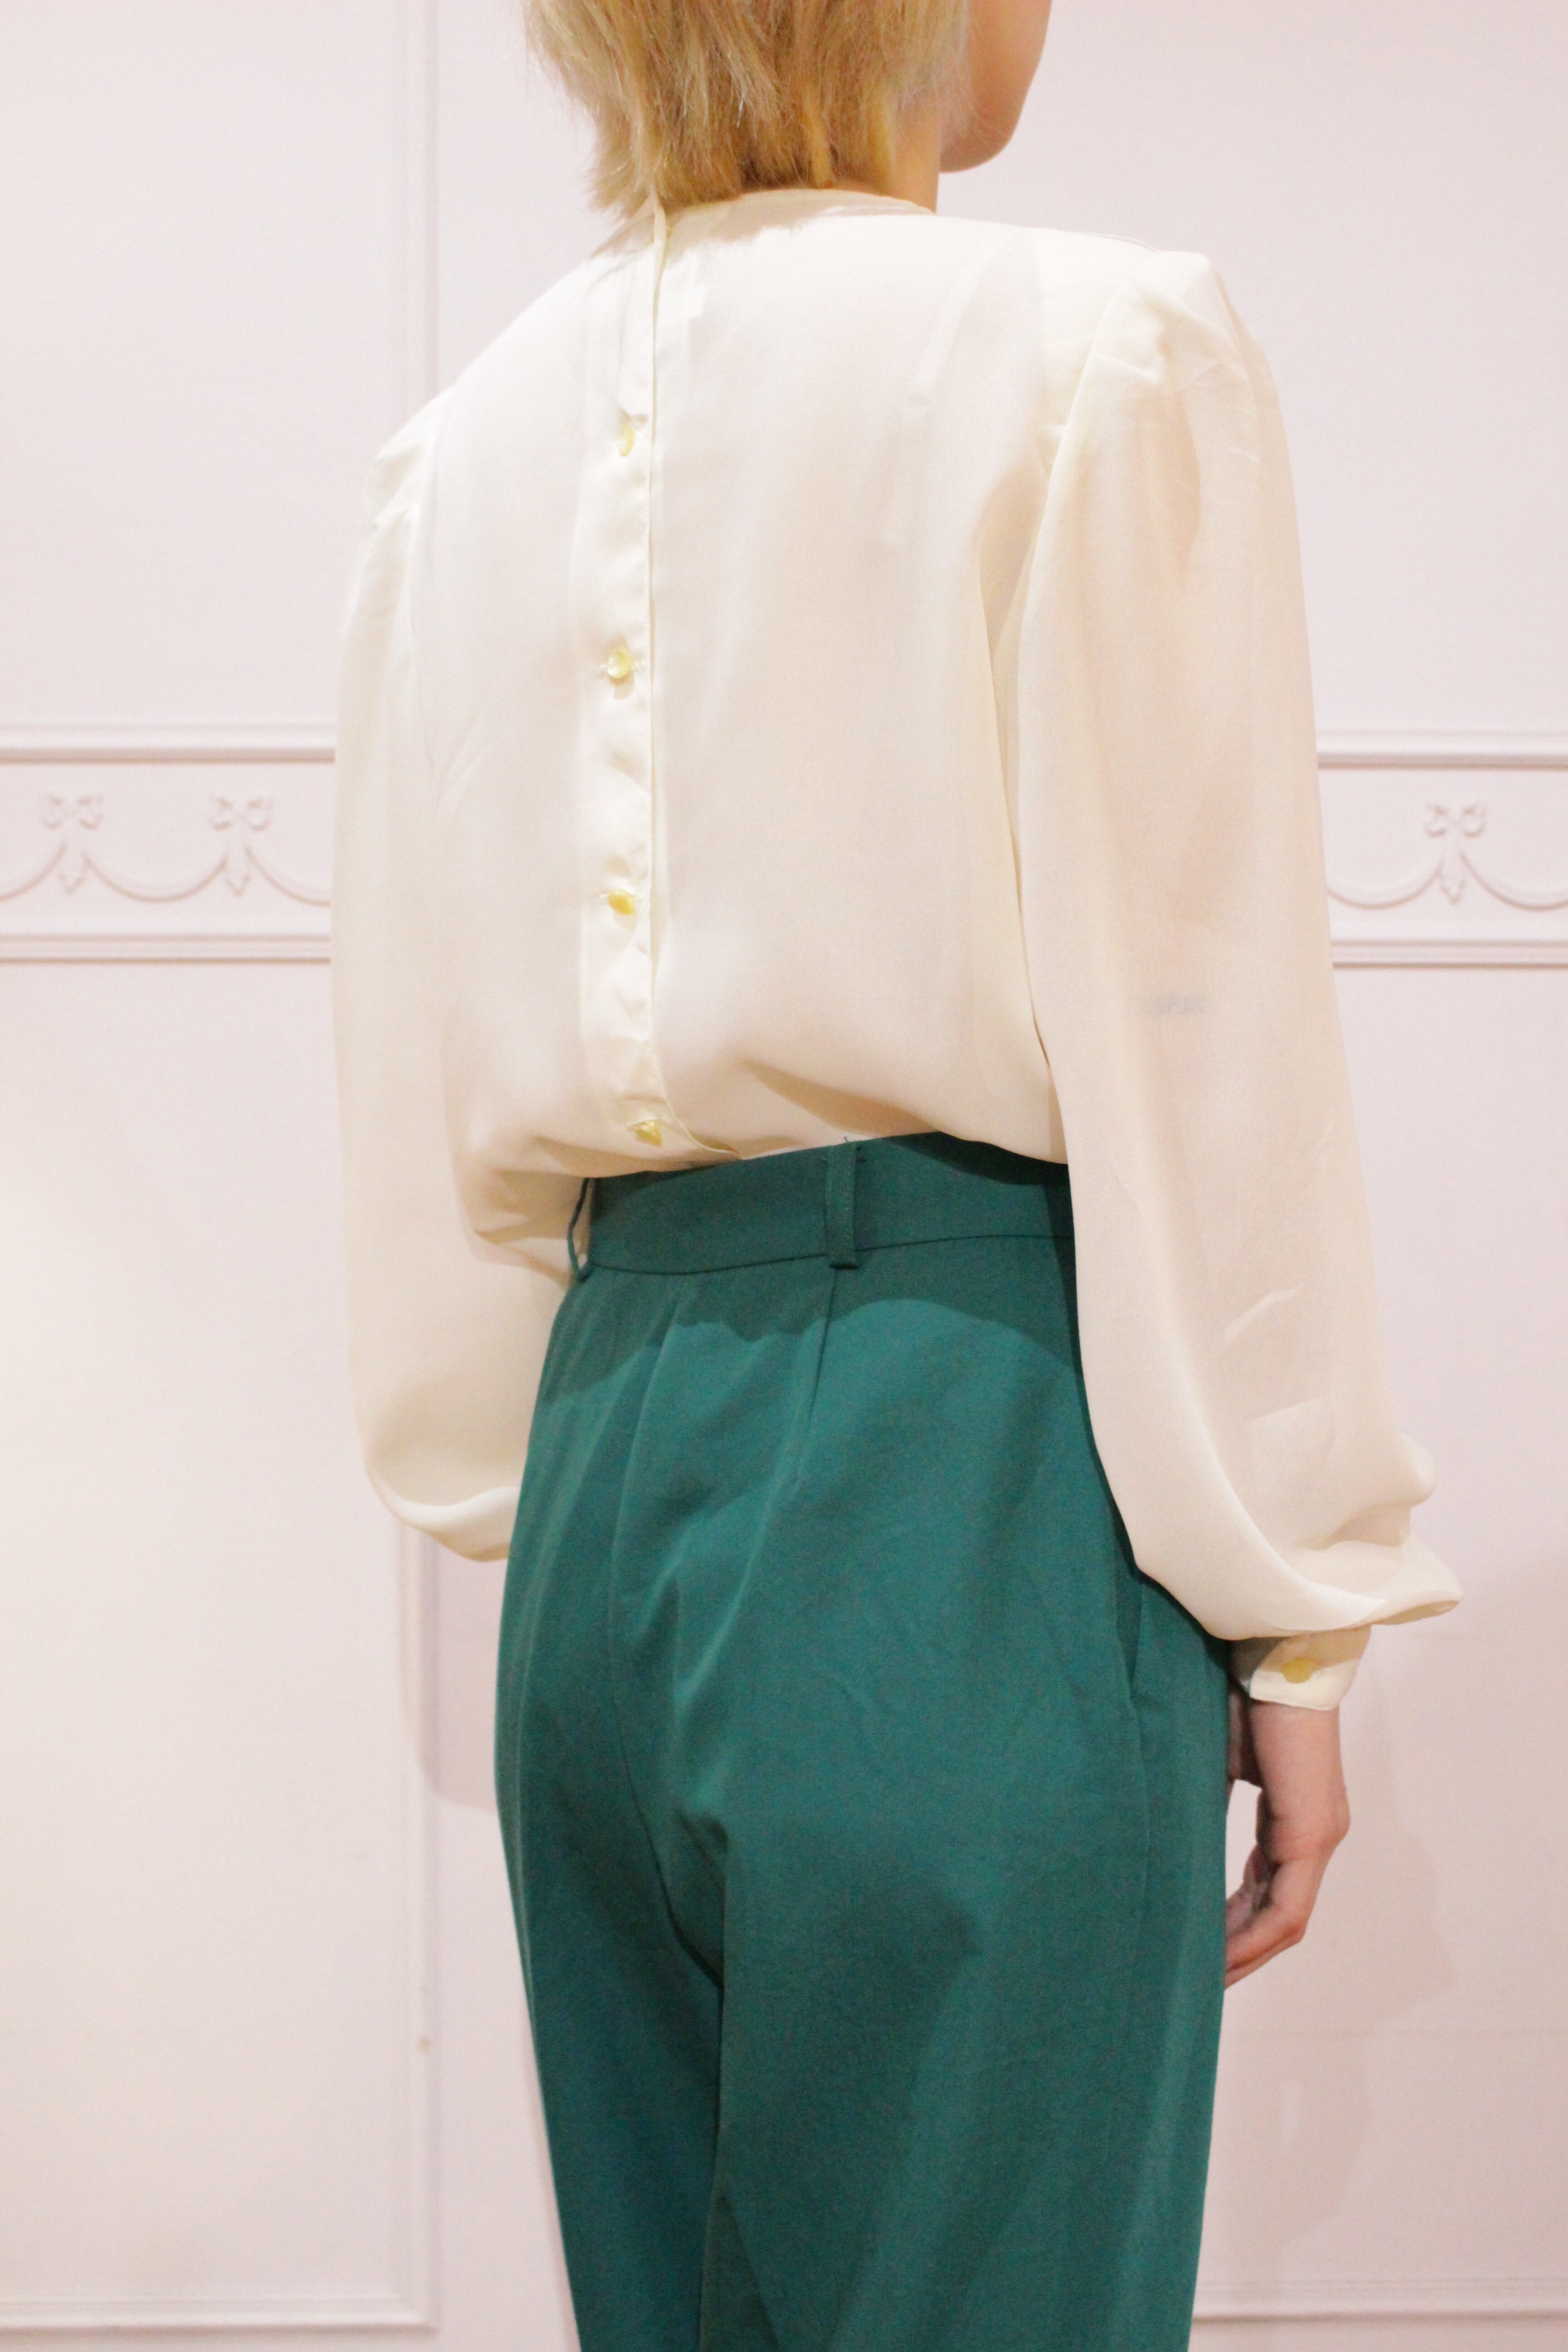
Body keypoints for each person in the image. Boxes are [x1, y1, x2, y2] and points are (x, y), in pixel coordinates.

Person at [332, 1, 1462, 2342]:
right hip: (964, 1455)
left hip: (607, 1478)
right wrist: (1297, 1603)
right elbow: (1196, 1019)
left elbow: (411, 1054)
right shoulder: (1095, 354)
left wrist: (556, 1499)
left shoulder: (463, 447)